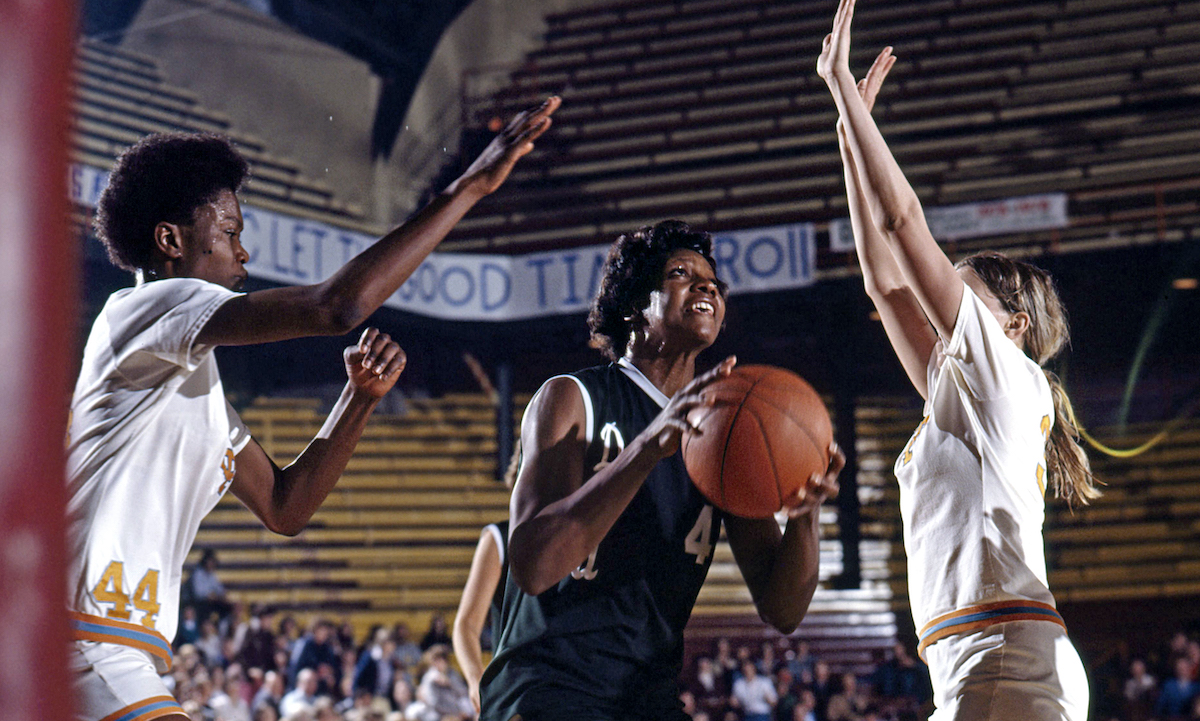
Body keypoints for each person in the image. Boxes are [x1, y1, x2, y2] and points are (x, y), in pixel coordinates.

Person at [66, 96, 560, 721]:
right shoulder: (137, 312)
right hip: (81, 644)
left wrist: (357, 401)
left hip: (117, 652)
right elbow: (337, 307)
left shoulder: (191, 391)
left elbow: (284, 506)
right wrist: (464, 191)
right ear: (170, 240)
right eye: (230, 234)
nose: (243, 255)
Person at [817, 2, 1099, 718]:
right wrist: (850, 132)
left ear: (1013, 323)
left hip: (1003, 651)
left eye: (955, 299)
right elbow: (884, 281)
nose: (936, 312)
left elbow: (903, 223)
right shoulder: (965, 390)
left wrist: (852, 97)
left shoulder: (1005, 375)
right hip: (981, 653)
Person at [478, 220, 844, 720]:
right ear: (633, 305)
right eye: (681, 273)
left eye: (713, 281)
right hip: (548, 686)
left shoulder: (725, 434)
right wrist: (648, 446)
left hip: (645, 696)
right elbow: (534, 567)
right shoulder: (572, 397)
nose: (707, 286)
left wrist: (805, 516)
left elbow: (783, 610)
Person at [451, 443, 519, 713]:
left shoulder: (582, 539)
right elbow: (466, 625)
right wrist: (474, 678)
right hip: (515, 685)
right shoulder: (500, 538)